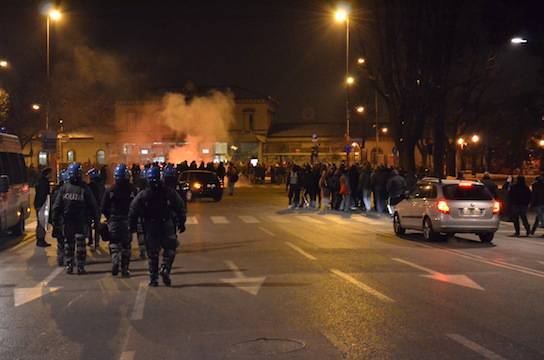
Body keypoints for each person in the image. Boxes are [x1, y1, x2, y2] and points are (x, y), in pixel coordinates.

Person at [129, 167, 187, 287]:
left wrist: (133, 226)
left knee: (152, 254)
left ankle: (153, 279)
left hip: (151, 227)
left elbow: (133, 210)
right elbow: (180, 207)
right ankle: (165, 268)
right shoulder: (169, 192)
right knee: (170, 250)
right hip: (167, 225)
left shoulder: (143, 194)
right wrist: (182, 222)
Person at [52, 163, 99, 274]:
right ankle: (80, 266)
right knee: (81, 245)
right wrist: (95, 220)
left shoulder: (64, 188)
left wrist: (55, 221)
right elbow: (93, 206)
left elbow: (57, 206)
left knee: (69, 244)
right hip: (81, 221)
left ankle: (69, 264)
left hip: (68, 222)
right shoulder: (84, 188)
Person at [101, 164, 138, 277]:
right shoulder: (133, 189)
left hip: (114, 220)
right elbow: (137, 206)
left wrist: (109, 217)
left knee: (114, 242)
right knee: (126, 245)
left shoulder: (110, 190)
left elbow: (103, 206)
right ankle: (125, 269)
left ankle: (115, 260)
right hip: (127, 220)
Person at [50, 169, 68, 266]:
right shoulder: (69, 188)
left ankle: (61, 258)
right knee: (67, 239)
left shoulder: (56, 190)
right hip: (67, 219)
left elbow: (53, 206)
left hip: (59, 219)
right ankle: (67, 258)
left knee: (60, 240)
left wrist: (52, 220)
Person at [87, 168, 105, 249]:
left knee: (88, 224)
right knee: (97, 225)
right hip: (98, 207)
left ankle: (90, 239)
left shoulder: (90, 186)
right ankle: (96, 243)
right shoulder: (102, 185)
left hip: (90, 207)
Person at [34, 167, 52, 247]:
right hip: (42, 204)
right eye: (50, 173)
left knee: (40, 222)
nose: (51, 175)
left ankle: (40, 239)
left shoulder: (40, 181)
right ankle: (41, 240)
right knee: (42, 222)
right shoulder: (44, 182)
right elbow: (44, 194)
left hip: (38, 203)